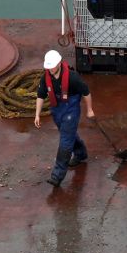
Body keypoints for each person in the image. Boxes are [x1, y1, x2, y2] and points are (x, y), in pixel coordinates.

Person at [34, 50, 95, 187]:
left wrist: (89, 109)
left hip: (71, 110)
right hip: (57, 110)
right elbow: (40, 95)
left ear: (59, 63)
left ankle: (57, 175)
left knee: (65, 142)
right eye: (48, 66)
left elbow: (86, 92)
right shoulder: (46, 78)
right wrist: (37, 114)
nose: (50, 69)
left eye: (52, 66)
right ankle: (80, 154)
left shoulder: (73, 78)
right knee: (68, 134)